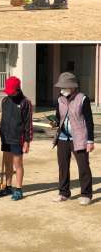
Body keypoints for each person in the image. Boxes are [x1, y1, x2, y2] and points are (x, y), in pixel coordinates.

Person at [51, 72, 94, 205]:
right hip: (63, 138)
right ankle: (64, 193)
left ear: (73, 86)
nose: (62, 89)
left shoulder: (83, 99)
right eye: (61, 87)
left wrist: (90, 141)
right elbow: (58, 117)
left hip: (79, 138)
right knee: (63, 166)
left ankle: (86, 194)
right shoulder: (60, 99)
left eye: (65, 87)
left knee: (83, 166)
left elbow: (89, 121)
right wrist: (55, 123)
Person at [0, 76, 33, 201]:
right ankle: (8, 186)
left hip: (18, 138)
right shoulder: (5, 100)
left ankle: (19, 189)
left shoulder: (25, 103)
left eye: (11, 92)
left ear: (18, 89)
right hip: (6, 136)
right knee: (7, 162)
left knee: (18, 164)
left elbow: (28, 124)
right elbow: (3, 118)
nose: (9, 94)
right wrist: (0, 130)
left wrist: (27, 141)